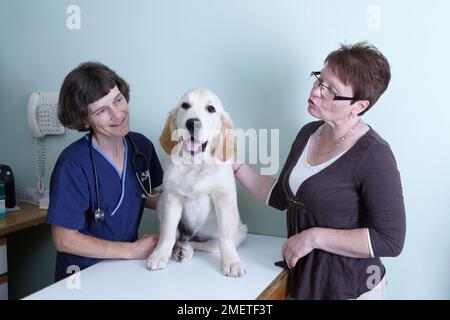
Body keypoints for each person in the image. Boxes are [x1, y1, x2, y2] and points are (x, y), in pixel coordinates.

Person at [233, 42, 406, 299]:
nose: (315, 92)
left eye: (330, 90)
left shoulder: (375, 155)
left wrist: (314, 237)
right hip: (304, 284)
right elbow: (284, 196)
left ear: (358, 106)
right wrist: (234, 165)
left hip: (349, 289)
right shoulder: (308, 134)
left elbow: (390, 240)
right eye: (319, 80)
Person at [46, 62, 164, 282]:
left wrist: (182, 202)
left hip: (125, 271)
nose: (117, 114)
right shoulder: (73, 164)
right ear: (84, 119)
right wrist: (131, 251)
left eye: (118, 100)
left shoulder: (141, 147)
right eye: (101, 110)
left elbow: (139, 192)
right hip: (81, 277)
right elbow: (63, 239)